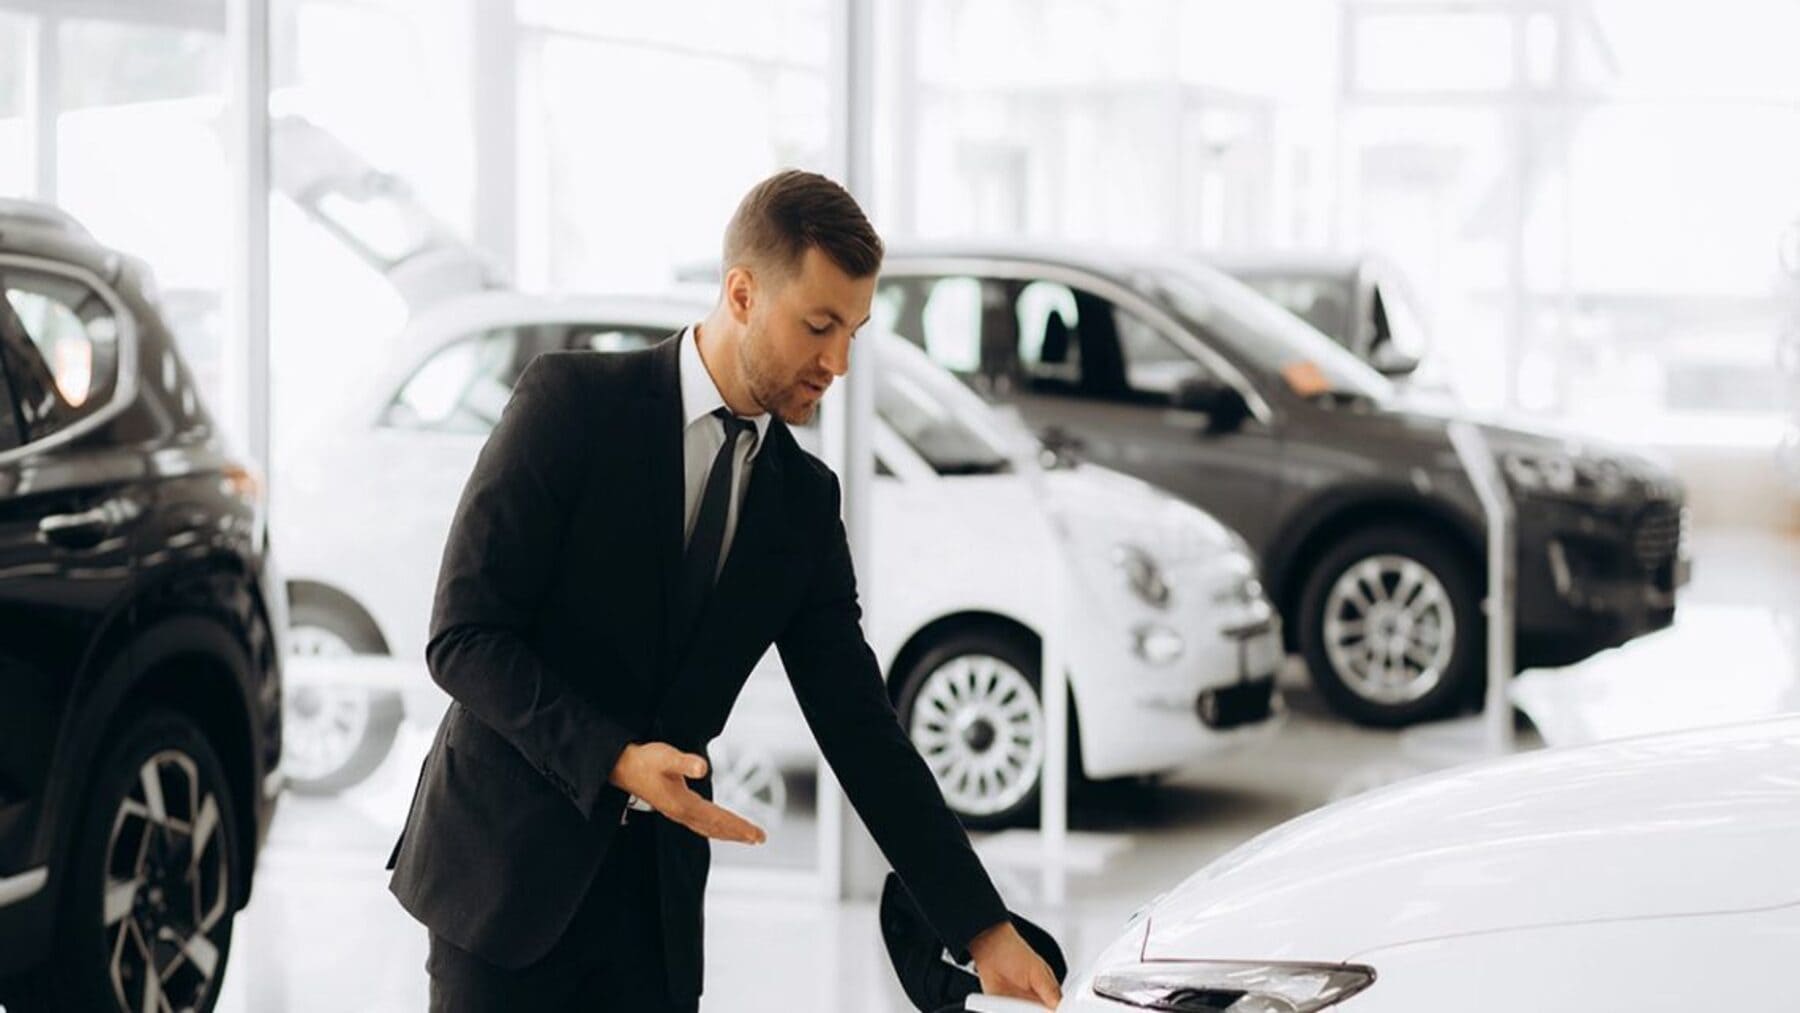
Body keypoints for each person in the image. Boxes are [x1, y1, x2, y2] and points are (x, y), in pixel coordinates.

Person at [384, 169, 1063, 1011]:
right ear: (742, 292)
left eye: (853, 330)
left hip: (654, 914)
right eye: (819, 326)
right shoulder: (573, 406)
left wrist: (983, 928)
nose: (838, 362)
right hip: (504, 882)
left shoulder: (803, 506)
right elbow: (465, 636)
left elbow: (862, 728)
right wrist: (618, 762)